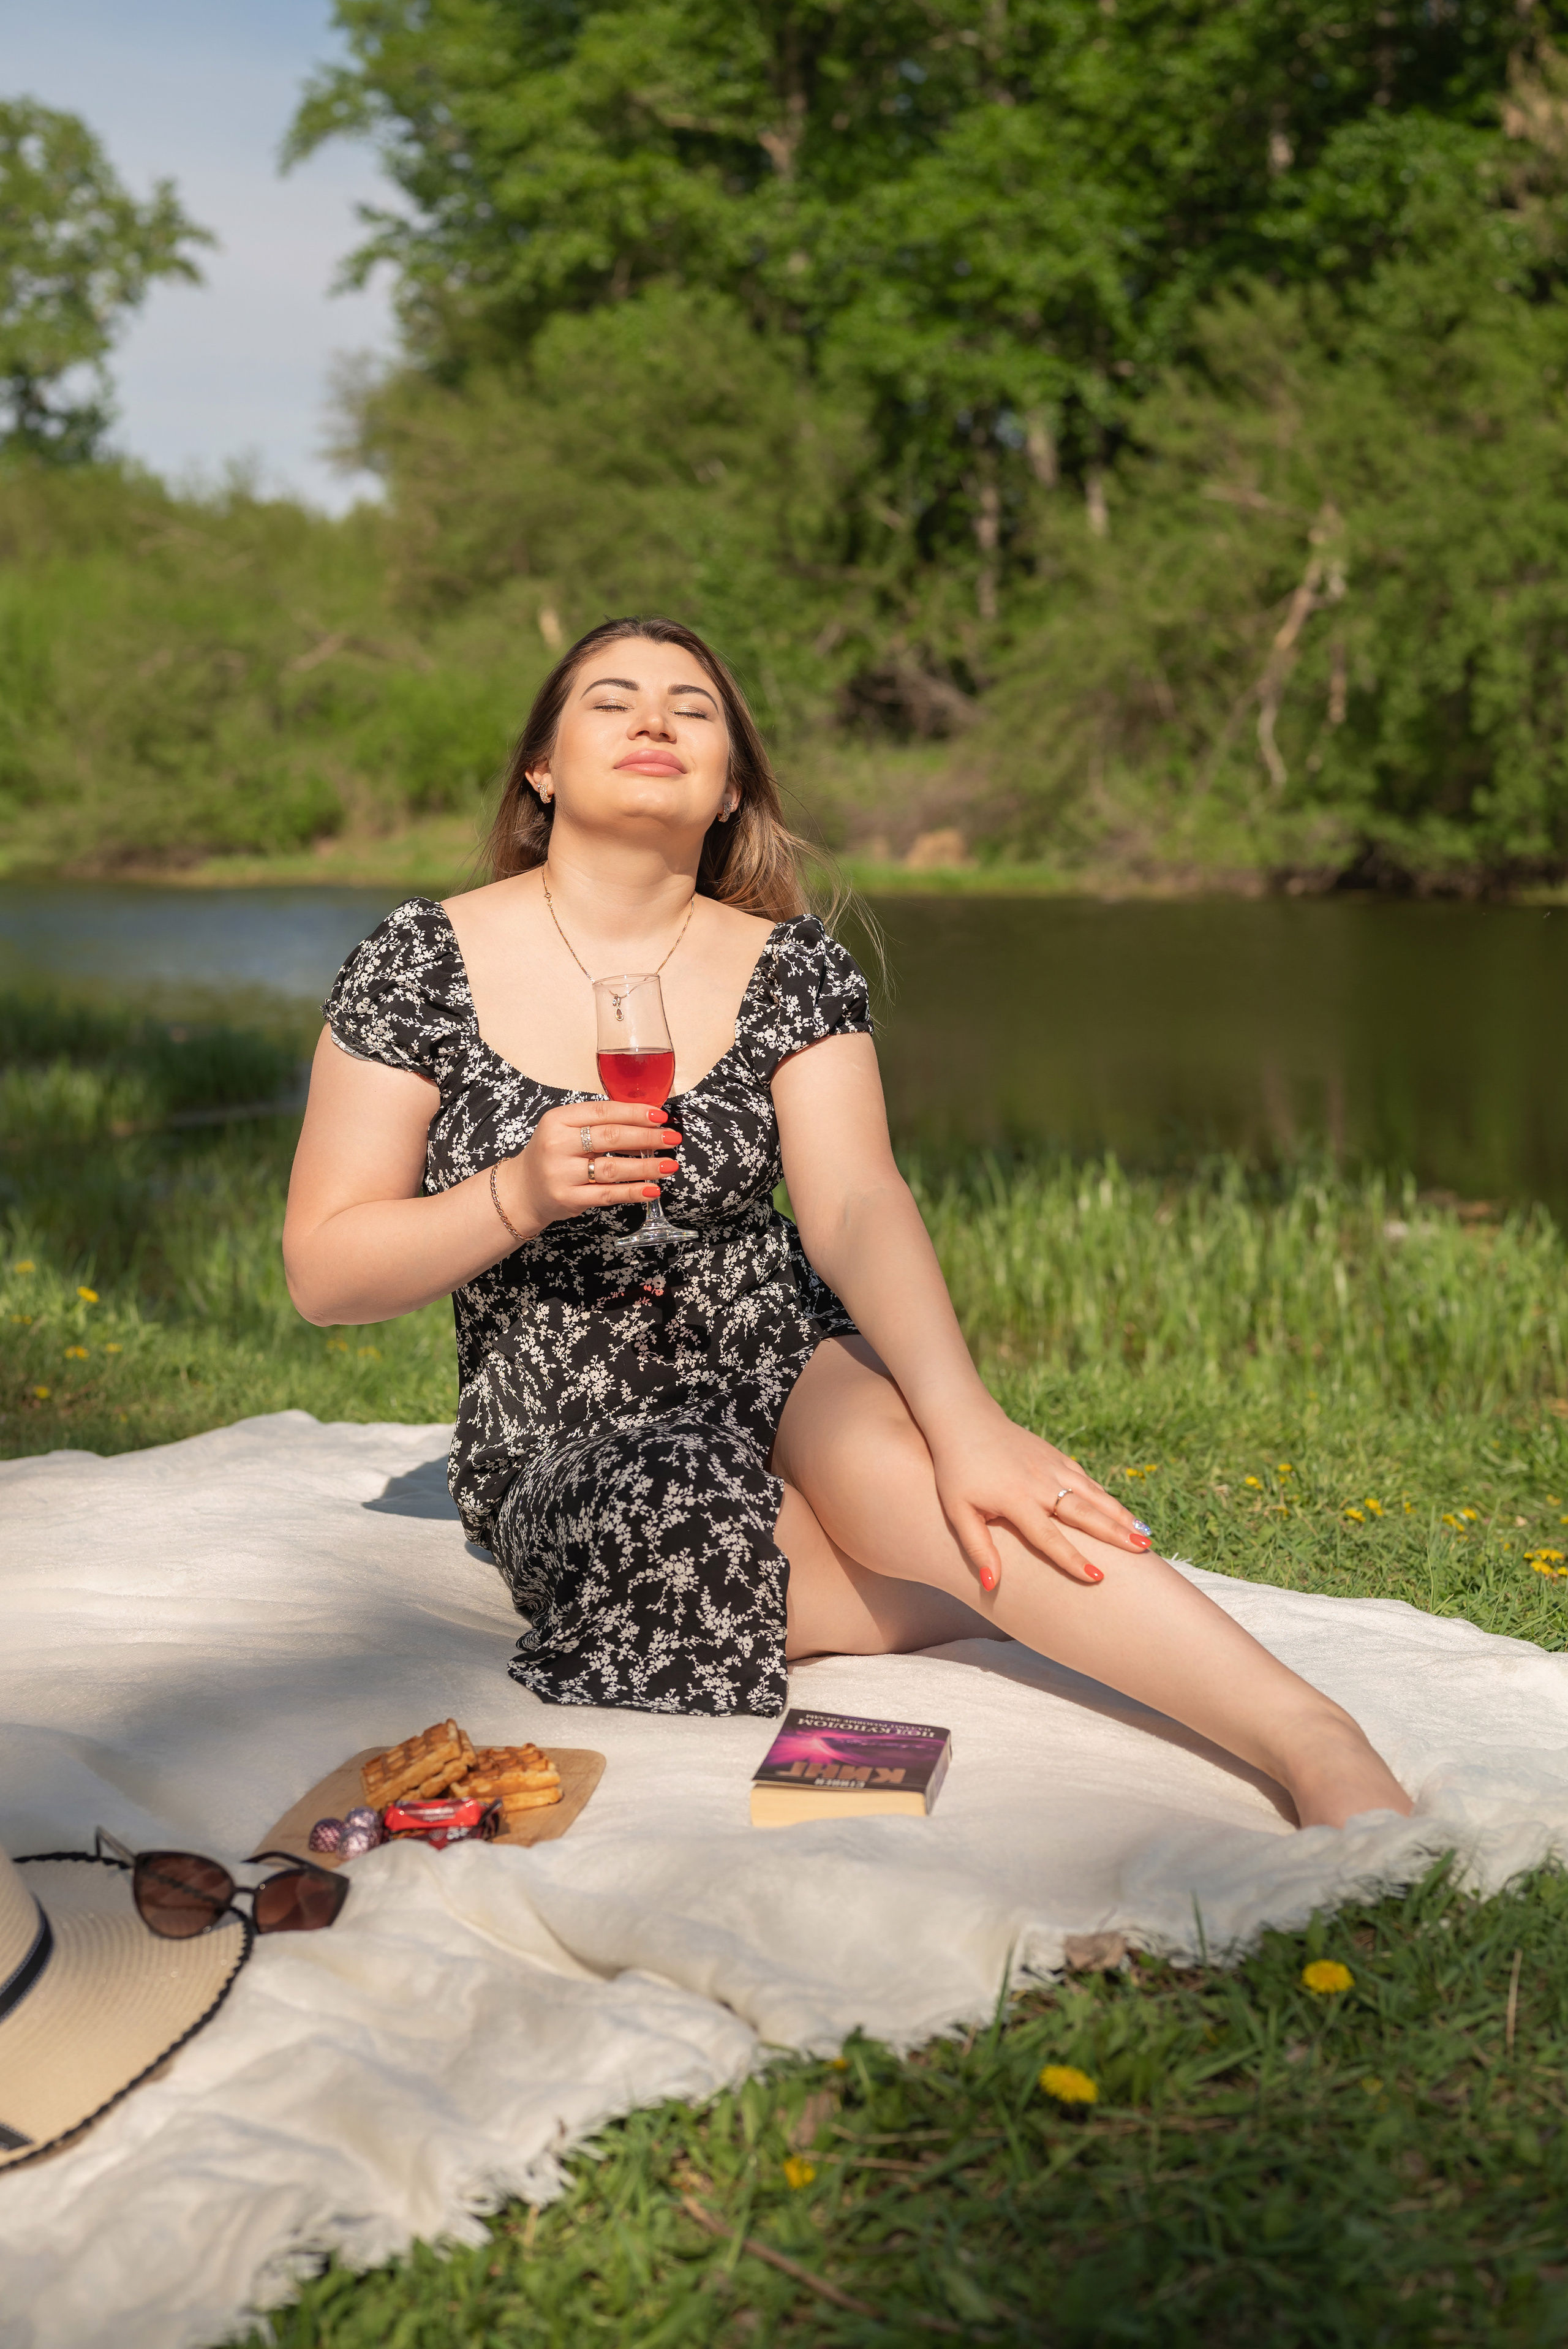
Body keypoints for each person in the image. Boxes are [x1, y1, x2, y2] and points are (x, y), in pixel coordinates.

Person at [284, 616, 1411, 1831]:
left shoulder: (791, 966)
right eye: (611, 700)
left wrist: (963, 1418)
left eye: (693, 707)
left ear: (728, 790)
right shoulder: (419, 959)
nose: (655, 719)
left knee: (904, 1467)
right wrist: (513, 1194)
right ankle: (1009, 1591)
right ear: (540, 769)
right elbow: (324, 1268)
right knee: (683, 1534)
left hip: (768, 1337)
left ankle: (1310, 1735)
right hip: (561, 1404)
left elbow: (857, 1204)